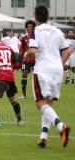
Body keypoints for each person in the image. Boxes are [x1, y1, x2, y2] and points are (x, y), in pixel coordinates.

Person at [27, 6, 72, 148]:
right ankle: (43, 137)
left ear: (35, 17)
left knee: (40, 102)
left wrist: (26, 54)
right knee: (48, 103)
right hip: (57, 70)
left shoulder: (35, 31)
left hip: (42, 70)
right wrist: (59, 64)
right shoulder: (57, 31)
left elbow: (33, 50)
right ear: (48, 17)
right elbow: (68, 51)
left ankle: (61, 127)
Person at [19, 20, 36, 99]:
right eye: (28, 26)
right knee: (24, 74)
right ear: (26, 28)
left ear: (33, 27)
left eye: (31, 26)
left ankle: (40, 94)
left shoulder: (37, 36)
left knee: (38, 75)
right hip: (26, 59)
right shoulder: (24, 37)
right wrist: (20, 60)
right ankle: (24, 95)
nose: (30, 28)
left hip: (36, 58)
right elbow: (22, 49)